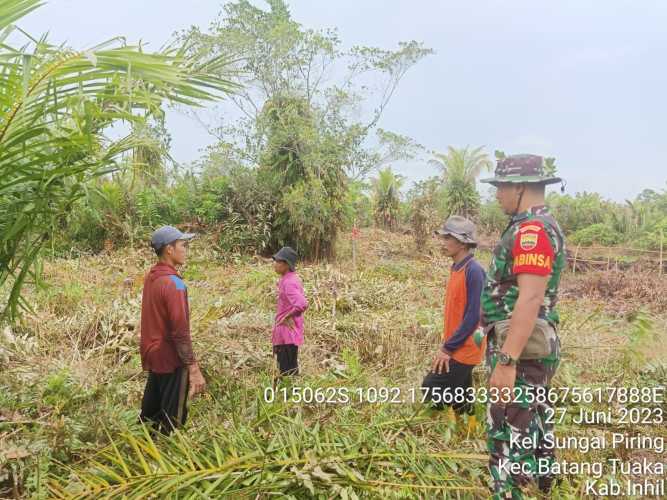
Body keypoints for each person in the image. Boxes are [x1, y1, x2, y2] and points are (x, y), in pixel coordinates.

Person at [479, 154, 567, 499]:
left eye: (501, 186)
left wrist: (506, 361)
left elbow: (529, 298)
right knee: (535, 414)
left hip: (521, 348)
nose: (497, 194)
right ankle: (545, 483)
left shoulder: (532, 230)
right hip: (530, 346)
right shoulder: (538, 225)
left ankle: (511, 491)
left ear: (519, 186)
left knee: (507, 428)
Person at [139, 226, 206, 434]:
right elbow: (180, 332)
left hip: (153, 353)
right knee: (173, 419)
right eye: (182, 245)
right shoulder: (175, 284)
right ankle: (168, 456)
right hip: (171, 358)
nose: (185, 250)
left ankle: (144, 447)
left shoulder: (152, 277)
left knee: (151, 413)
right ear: (169, 249)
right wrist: (193, 369)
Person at [422, 216, 486, 416]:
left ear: (461, 242)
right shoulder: (456, 267)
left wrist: (448, 348)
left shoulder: (474, 271)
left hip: (464, 347)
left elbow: (474, 316)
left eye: (447, 238)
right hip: (458, 343)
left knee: (431, 387)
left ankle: (436, 428)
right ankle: (467, 427)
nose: (444, 243)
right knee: (461, 395)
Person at [271, 246, 308, 376]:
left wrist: (287, 316)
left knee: (287, 373)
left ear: (286, 264)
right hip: (286, 334)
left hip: (287, 334)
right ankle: (290, 394)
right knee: (289, 370)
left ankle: (289, 395)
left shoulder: (289, 282)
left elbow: (302, 304)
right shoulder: (289, 279)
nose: (275, 264)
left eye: (278, 262)